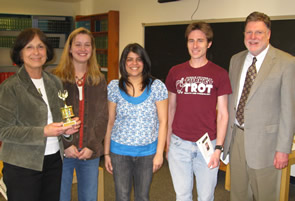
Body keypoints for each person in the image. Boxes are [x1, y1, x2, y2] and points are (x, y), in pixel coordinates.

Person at [0, 28, 80, 201]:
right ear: (20, 54)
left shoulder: (55, 82)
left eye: (40, 47)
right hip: (22, 164)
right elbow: (4, 131)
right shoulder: (10, 87)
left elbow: (59, 120)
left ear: (47, 52)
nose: (36, 52)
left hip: (54, 161)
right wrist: (43, 131)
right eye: (29, 47)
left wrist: (67, 130)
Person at [222, 11, 295, 201]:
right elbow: (232, 101)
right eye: (249, 32)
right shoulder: (235, 60)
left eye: (259, 32)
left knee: (266, 196)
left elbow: (289, 110)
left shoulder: (286, 63)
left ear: (268, 34)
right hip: (237, 138)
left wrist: (283, 149)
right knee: (237, 194)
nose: (253, 37)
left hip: (267, 145)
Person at [165, 22, 232, 201]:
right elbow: (170, 109)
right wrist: (167, 143)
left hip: (208, 145)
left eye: (200, 41)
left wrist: (218, 149)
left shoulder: (219, 74)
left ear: (208, 43)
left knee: (206, 196)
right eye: (191, 41)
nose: (195, 46)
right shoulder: (175, 72)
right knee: (182, 196)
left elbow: (223, 114)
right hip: (179, 146)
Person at [104, 43, 168, 201]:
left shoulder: (157, 87)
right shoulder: (114, 87)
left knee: (142, 197)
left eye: (139, 59)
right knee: (122, 196)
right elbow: (110, 122)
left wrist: (160, 153)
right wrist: (106, 153)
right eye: (129, 59)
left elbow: (163, 121)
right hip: (119, 153)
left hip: (147, 154)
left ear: (145, 62)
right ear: (123, 63)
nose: (134, 63)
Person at [54, 27, 108, 201]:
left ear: (92, 49)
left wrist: (91, 146)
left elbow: (103, 116)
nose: (82, 49)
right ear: (69, 48)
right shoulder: (56, 79)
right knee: (60, 196)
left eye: (87, 45)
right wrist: (66, 143)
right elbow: (53, 115)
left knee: (89, 197)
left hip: (89, 151)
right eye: (78, 44)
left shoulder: (98, 80)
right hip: (63, 151)